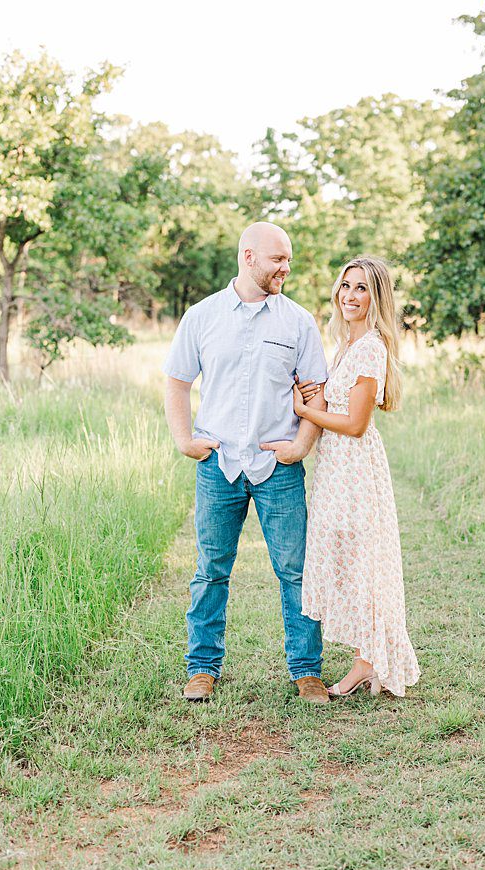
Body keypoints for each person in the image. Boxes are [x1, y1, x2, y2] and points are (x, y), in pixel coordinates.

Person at [163, 221, 331, 704]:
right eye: (278, 259)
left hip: (277, 465)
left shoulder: (297, 321)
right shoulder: (202, 316)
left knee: (296, 569)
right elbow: (176, 380)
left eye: (289, 260)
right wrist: (184, 438)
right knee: (210, 569)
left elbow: (315, 390)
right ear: (248, 256)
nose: (286, 267)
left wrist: (301, 445)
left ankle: (306, 670)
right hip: (219, 465)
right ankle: (202, 668)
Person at [293, 255, 419, 697]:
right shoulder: (347, 343)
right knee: (346, 557)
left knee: (363, 561)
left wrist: (305, 411)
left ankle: (367, 663)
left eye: (361, 288)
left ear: (376, 296)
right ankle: (364, 658)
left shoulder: (371, 348)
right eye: (346, 286)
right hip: (335, 469)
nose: (350, 295)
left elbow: (356, 424)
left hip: (356, 469)